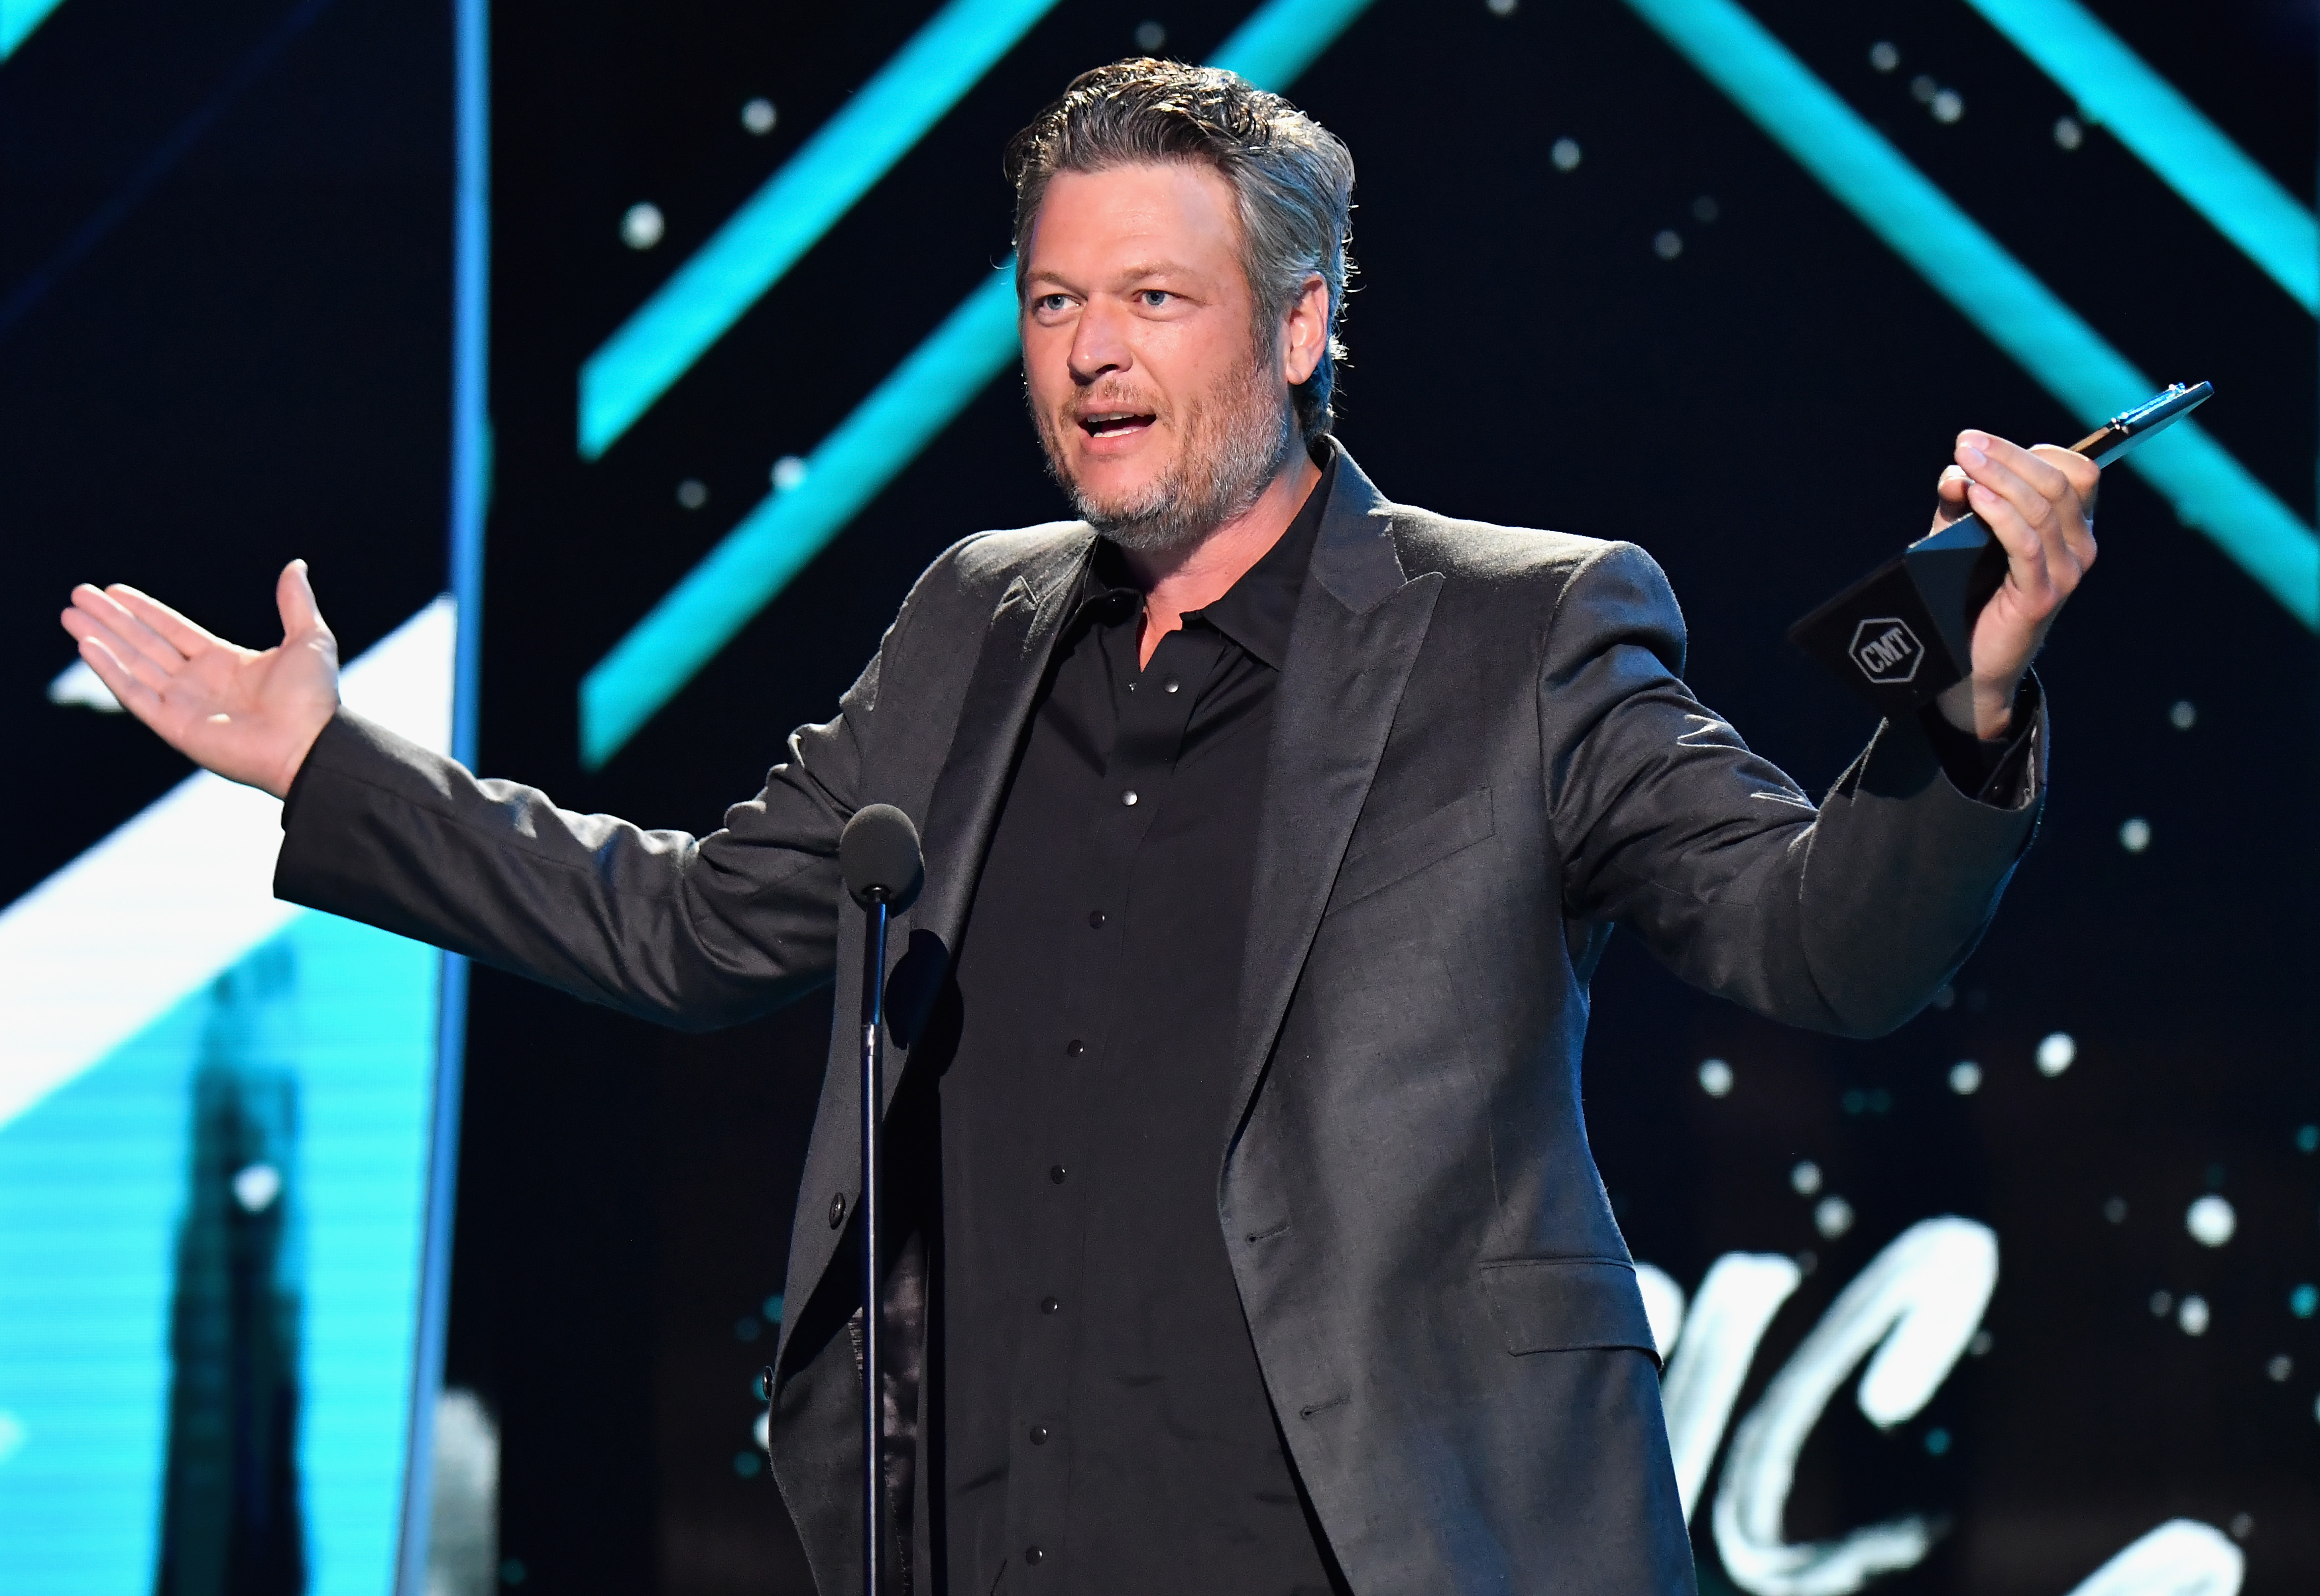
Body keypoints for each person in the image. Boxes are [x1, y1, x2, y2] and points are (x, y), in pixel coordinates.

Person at [61, 59, 2093, 1596]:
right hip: (985, 1537)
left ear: (1300, 328)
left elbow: (1820, 939)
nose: (1094, 353)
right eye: (1053, 304)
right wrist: (328, 767)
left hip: (1373, 1539)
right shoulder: (972, 617)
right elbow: (685, 928)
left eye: (1153, 297)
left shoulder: (1522, 627)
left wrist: (1970, 696)